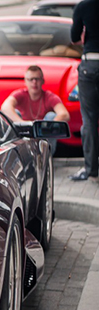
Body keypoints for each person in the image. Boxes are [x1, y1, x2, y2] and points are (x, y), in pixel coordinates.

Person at [1, 65, 70, 156]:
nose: (34, 82)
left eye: (37, 79)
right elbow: (5, 107)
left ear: (43, 81)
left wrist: (45, 127)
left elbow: (65, 114)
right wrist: (23, 123)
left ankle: (47, 155)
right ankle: (10, 154)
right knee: (13, 115)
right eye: (31, 79)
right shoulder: (20, 94)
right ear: (25, 81)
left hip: (43, 138)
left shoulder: (49, 96)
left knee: (51, 116)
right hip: (24, 137)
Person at [69, 0, 99, 181]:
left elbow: (74, 38)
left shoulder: (84, 6)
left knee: (89, 119)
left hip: (90, 64)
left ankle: (91, 169)